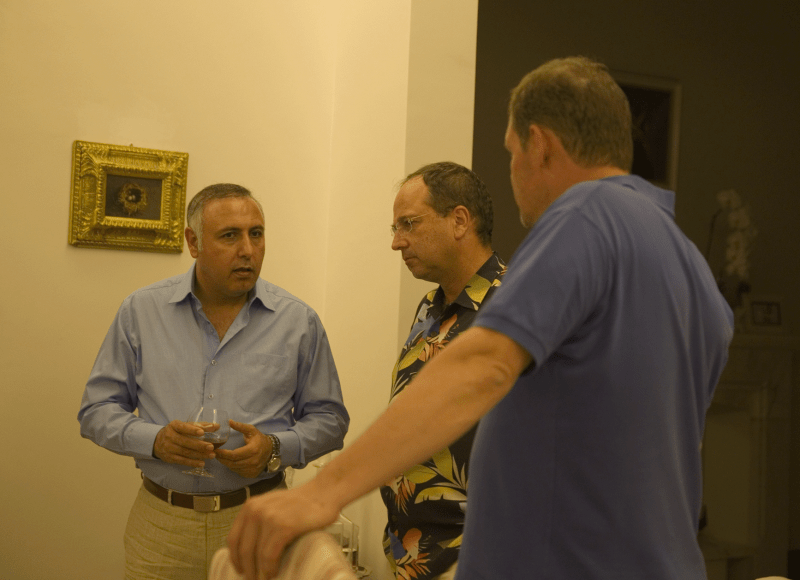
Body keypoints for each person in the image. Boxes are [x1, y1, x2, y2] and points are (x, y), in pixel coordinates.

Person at [227, 56, 734, 580]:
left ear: (539, 144)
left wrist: (318, 495)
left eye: (512, 153)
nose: (511, 173)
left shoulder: (585, 215)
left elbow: (482, 364)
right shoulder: (692, 268)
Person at [78, 183, 349, 580]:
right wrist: (155, 440)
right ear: (194, 242)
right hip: (162, 526)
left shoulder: (298, 321)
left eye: (256, 234)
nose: (248, 250)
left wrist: (275, 448)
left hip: (260, 519)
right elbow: (96, 410)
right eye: (230, 236)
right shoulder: (141, 311)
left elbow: (330, 419)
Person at [383, 162, 506, 580]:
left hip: (475, 558)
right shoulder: (429, 308)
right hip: (411, 556)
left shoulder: (513, 307)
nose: (397, 242)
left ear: (459, 221)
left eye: (409, 224)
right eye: (395, 228)